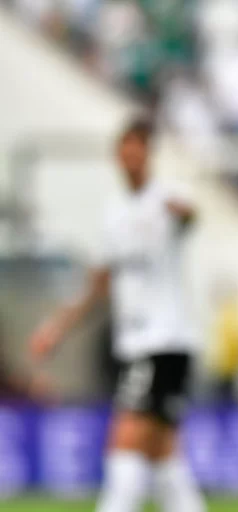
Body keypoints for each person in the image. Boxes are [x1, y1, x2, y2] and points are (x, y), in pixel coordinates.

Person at [28, 119, 205, 512]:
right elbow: (98, 283)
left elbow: (192, 216)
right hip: (140, 345)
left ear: (148, 154)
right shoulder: (114, 215)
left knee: (124, 447)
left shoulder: (167, 197)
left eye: (138, 150)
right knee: (163, 457)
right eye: (124, 151)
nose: (131, 159)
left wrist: (183, 213)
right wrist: (56, 328)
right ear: (117, 157)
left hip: (161, 342)